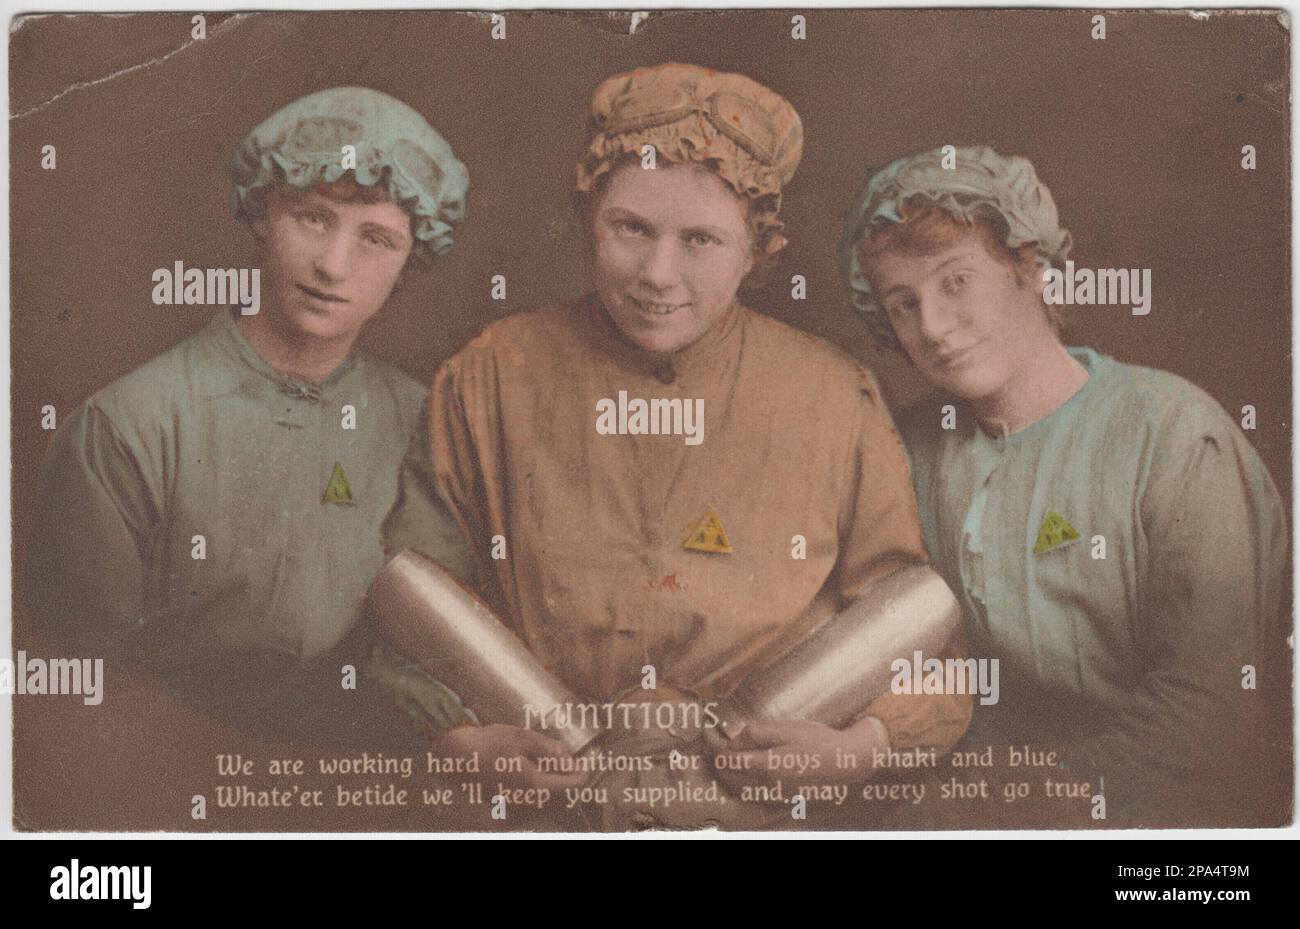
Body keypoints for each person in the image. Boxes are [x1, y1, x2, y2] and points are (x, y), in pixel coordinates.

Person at [376, 64, 972, 829]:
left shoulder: (833, 395)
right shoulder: (490, 374)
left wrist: (862, 746)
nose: (659, 275)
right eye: (631, 228)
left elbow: (921, 637)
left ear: (758, 250)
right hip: (554, 807)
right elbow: (407, 617)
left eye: (700, 240)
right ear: (588, 216)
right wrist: (465, 743)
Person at [841, 145, 1288, 824]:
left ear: (1031, 268)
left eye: (955, 281)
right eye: (903, 304)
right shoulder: (904, 450)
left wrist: (991, 814)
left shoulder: (1171, 435)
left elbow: (1208, 713)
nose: (931, 326)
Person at [26, 86, 469, 750]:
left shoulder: (422, 424)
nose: (333, 264)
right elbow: (84, 690)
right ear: (263, 212)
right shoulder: (127, 427)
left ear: (412, 259)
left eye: (376, 238)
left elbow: (434, 645)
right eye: (313, 218)